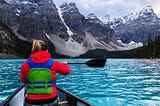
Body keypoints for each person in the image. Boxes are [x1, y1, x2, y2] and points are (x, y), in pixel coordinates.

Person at [20, 40, 71, 106]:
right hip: (51, 100)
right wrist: (65, 64)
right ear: (46, 50)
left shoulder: (25, 64)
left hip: (31, 101)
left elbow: (24, 81)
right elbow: (67, 71)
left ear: (34, 50)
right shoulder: (53, 63)